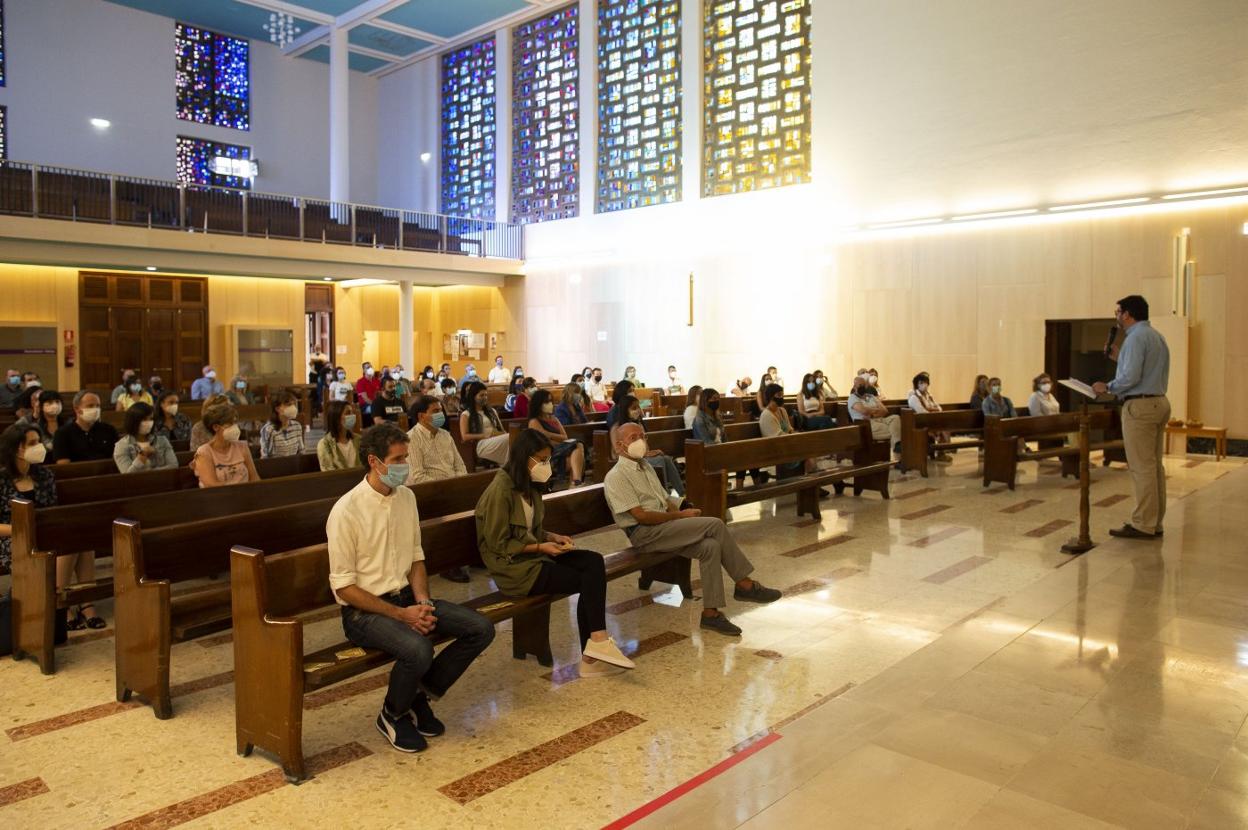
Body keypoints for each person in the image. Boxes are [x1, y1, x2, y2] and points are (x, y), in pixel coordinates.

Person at [329, 423, 495, 753]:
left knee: (480, 628)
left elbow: (416, 558)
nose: (405, 465)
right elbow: (344, 587)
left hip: (407, 597)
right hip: (365, 611)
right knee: (418, 649)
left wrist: (422, 601)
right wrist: (403, 615)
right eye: (398, 459)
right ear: (374, 461)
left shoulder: (407, 497)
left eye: (406, 456)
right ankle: (393, 714)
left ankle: (419, 696)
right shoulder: (346, 511)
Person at [476, 429, 632, 676]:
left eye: (547, 459)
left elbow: (529, 528)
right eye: (541, 459)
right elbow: (499, 544)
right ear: (523, 457)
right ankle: (593, 655)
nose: (546, 465)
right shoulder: (500, 491)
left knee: (592, 561)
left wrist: (552, 537)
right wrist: (540, 547)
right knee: (586, 580)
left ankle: (596, 646)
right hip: (514, 569)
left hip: (534, 556)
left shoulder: (529, 485)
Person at [604, 422, 781, 635]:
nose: (641, 441)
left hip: (664, 526)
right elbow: (640, 516)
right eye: (634, 437)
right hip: (644, 533)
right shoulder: (617, 476)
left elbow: (665, 498)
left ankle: (711, 615)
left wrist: (684, 506)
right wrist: (680, 516)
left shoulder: (645, 466)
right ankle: (745, 584)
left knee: (710, 547)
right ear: (620, 446)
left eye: (643, 435)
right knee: (715, 524)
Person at [1093, 295, 1171, 539]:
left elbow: (1131, 378)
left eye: (1118, 311)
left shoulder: (1135, 338)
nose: (1116, 316)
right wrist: (1120, 358)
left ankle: (1142, 524)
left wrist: (1108, 387)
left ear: (1127, 314)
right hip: (1158, 402)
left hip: (1140, 407)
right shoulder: (1156, 336)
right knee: (1153, 466)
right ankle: (1154, 522)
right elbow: (1144, 370)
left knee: (1142, 468)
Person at [0, 424, 57, 574]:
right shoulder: (1, 480)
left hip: (42, 531)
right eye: (32, 443)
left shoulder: (44, 475)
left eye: (39, 441)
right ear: (16, 449)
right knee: (29, 548)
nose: (39, 447)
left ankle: (56, 592)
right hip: (11, 536)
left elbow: (53, 510)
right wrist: (21, 530)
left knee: (78, 547)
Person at [608, 394, 685, 495]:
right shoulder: (617, 427)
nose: (638, 410)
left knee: (666, 458)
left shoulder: (638, 425)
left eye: (638, 407)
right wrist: (645, 455)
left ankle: (682, 493)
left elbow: (645, 449)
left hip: (641, 457)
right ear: (625, 410)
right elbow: (618, 450)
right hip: (625, 460)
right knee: (659, 460)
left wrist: (653, 452)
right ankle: (664, 494)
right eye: (634, 408)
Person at [693, 388, 766, 489]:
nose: (717, 401)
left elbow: (724, 438)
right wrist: (725, 450)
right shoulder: (699, 420)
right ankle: (747, 488)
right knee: (744, 458)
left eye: (718, 399)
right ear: (705, 401)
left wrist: (729, 448)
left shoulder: (716, 417)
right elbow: (706, 443)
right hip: (710, 455)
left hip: (721, 450)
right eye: (714, 399)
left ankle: (750, 489)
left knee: (748, 457)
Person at [526, 389, 585, 486]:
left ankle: (575, 483)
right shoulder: (534, 421)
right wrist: (560, 442)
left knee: (577, 449)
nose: (550, 404)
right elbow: (544, 443)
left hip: (561, 451)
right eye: (546, 402)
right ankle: (575, 483)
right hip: (547, 456)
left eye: (551, 401)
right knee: (578, 450)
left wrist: (548, 434)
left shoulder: (554, 419)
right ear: (538, 404)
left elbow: (564, 437)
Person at [194, 404, 260, 487]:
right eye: (230, 423)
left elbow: (254, 477)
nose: (235, 427)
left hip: (246, 495)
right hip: (220, 497)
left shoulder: (242, 446)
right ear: (215, 427)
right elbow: (211, 485)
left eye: (235, 422)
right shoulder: (204, 452)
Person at [52, 391, 118, 463]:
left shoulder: (109, 430)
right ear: (77, 409)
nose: (95, 409)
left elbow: (117, 458)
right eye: (90, 406)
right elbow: (63, 465)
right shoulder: (62, 433)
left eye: (98, 406)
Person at [113, 403, 177, 473]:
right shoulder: (121, 446)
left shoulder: (162, 440)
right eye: (144, 419)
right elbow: (128, 475)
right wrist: (142, 456)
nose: (148, 422)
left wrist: (148, 473)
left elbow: (173, 466)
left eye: (151, 419)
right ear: (133, 421)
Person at [847, 377, 902, 457]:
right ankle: (898, 457)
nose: (862, 387)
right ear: (854, 386)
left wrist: (872, 413)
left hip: (879, 419)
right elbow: (863, 411)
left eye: (864, 385)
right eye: (860, 385)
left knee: (896, 418)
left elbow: (885, 410)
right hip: (865, 424)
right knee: (896, 430)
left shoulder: (871, 396)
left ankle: (897, 445)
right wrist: (876, 409)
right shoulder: (852, 398)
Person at [460, 381, 510, 467]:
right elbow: (464, 436)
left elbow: (501, 429)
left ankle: (509, 466)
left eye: (486, 395)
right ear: (473, 397)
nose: (485, 398)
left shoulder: (492, 411)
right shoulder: (466, 414)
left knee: (513, 437)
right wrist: (486, 435)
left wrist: (501, 433)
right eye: (481, 395)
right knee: (509, 438)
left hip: (497, 439)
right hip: (481, 444)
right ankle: (508, 466)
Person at [908, 372, 952, 463]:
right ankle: (944, 449)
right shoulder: (914, 397)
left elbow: (939, 408)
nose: (924, 385)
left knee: (944, 423)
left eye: (926, 383)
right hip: (920, 423)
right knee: (942, 425)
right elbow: (922, 412)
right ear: (917, 384)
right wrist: (933, 410)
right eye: (921, 383)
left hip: (931, 419)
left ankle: (942, 450)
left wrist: (933, 410)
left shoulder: (929, 396)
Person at [260, 390, 306, 458]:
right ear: (277, 409)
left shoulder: (297, 426)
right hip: (276, 465)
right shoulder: (269, 429)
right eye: (289, 405)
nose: (293, 408)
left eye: (294, 404)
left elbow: (301, 451)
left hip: (294, 464)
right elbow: (266, 456)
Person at [317, 401, 361, 471]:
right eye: (348, 413)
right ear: (336, 418)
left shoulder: (359, 439)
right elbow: (328, 471)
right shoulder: (325, 444)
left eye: (352, 412)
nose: (352, 415)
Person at [356, 363, 381, 427]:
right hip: (365, 406)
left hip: (376, 404)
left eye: (371, 367)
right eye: (367, 367)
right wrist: (376, 405)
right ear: (364, 370)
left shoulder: (377, 381)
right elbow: (366, 399)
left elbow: (380, 394)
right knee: (376, 409)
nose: (370, 369)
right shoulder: (360, 382)